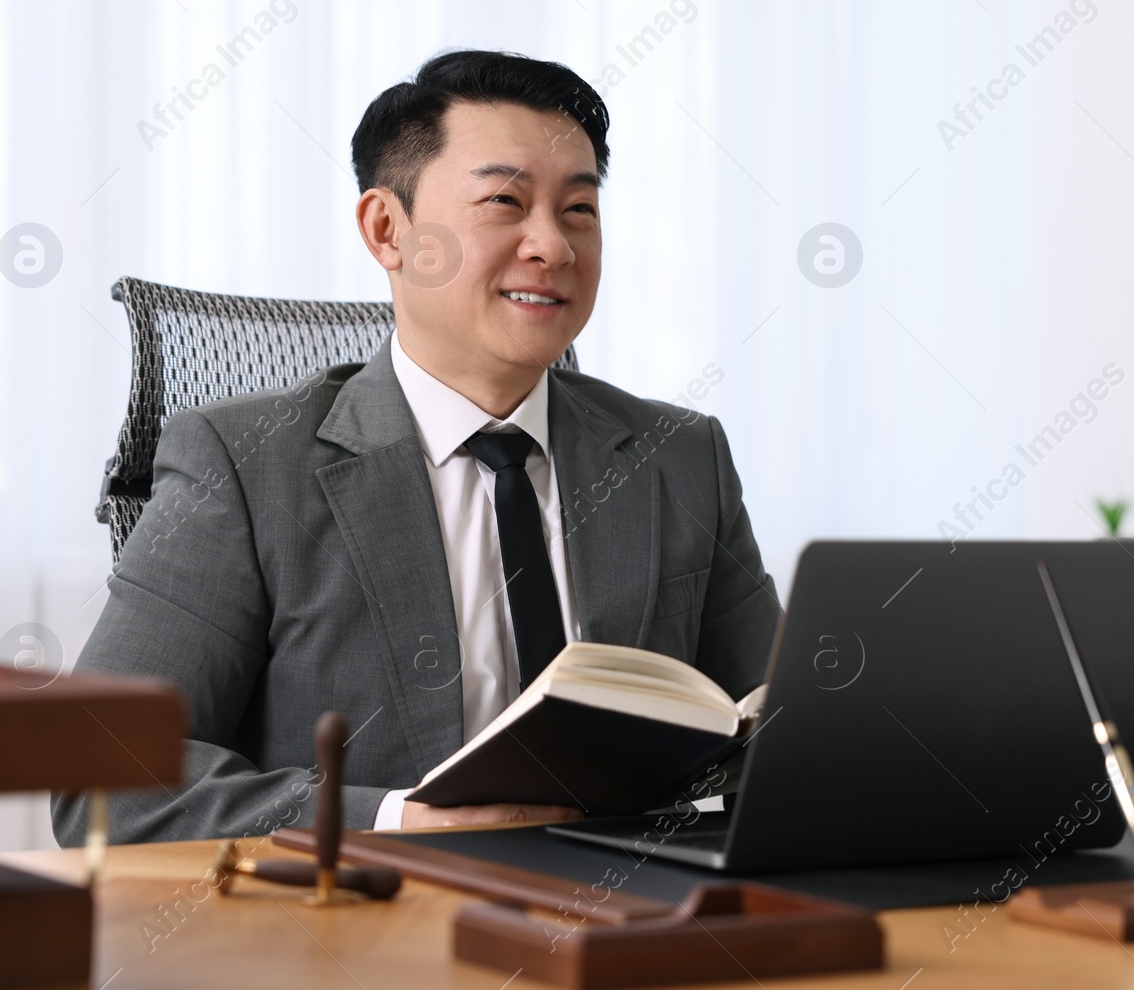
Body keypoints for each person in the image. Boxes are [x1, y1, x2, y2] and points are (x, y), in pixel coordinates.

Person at [53, 50, 779, 844]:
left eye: (579, 209)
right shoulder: (243, 463)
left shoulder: (677, 455)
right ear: (387, 229)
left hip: (630, 926)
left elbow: (777, 726)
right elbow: (100, 776)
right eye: (505, 200)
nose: (554, 245)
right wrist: (398, 820)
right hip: (369, 932)